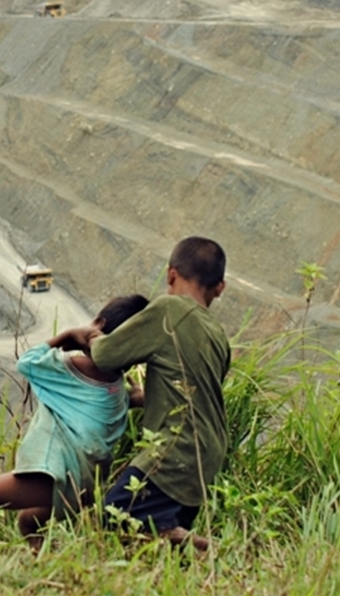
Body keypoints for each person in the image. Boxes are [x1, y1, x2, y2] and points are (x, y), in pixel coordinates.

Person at [63, 236, 230, 551]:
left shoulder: (168, 309)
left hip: (175, 445)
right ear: (219, 288)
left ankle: (203, 548)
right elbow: (191, 391)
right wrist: (145, 396)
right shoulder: (217, 334)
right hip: (207, 453)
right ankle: (188, 549)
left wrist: (88, 336)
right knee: (150, 541)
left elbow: (106, 355)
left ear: (170, 275)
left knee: (112, 518)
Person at [0, 294, 149, 560]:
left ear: (97, 323)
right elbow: (103, 406)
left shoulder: (74, 368)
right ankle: (39, 567)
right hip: (85, 490)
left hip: (58, 476)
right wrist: (137, 398)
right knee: (29, 522)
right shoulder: (118, 390)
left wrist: (65, 336)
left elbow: (27, 362)